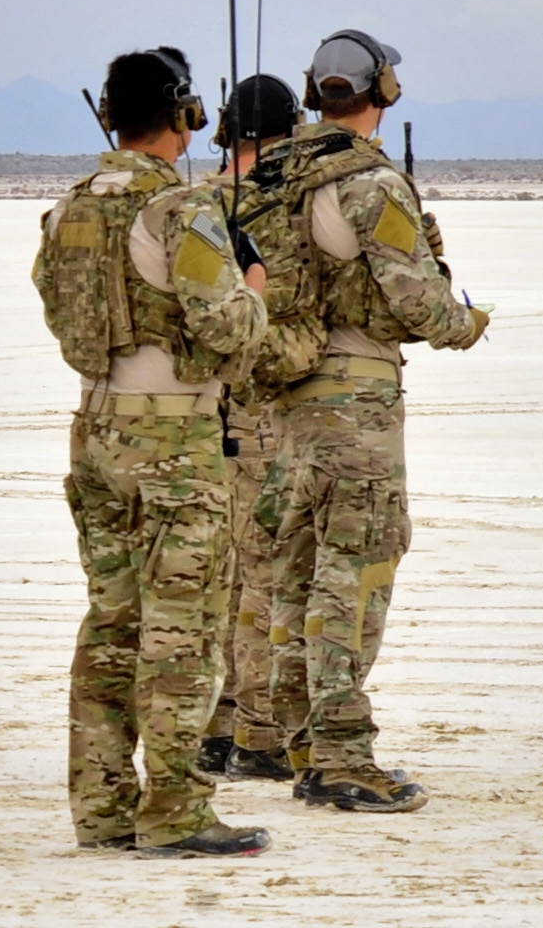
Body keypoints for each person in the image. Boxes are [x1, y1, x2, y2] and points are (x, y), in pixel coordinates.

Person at [32, 47, 272, 856]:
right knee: (183, 625)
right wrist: (256, 297)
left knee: (111, 619)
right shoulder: (178, 209)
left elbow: (60, 315)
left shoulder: (67, 207)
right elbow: (224, 325)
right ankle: (175, 808)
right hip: (172, 435)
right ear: (182, 113)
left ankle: (101, 809)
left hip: (97, 427)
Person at [266, 29, 487, 813]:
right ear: (381, 91)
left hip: (291, 396)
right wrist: (467, 317)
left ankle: (302, 739)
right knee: (354, 568)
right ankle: (341, 755)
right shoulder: (371, 183)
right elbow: (419, 306)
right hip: (355, 393)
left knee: (301, 569)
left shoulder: (278, 172)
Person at [199, 74, 325, 782]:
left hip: (208, 408)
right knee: (264, 575)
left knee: (224, 575)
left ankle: (218, 724)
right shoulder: (292, 199)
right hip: (268, 404)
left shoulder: (201, 202)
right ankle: (257, 730)